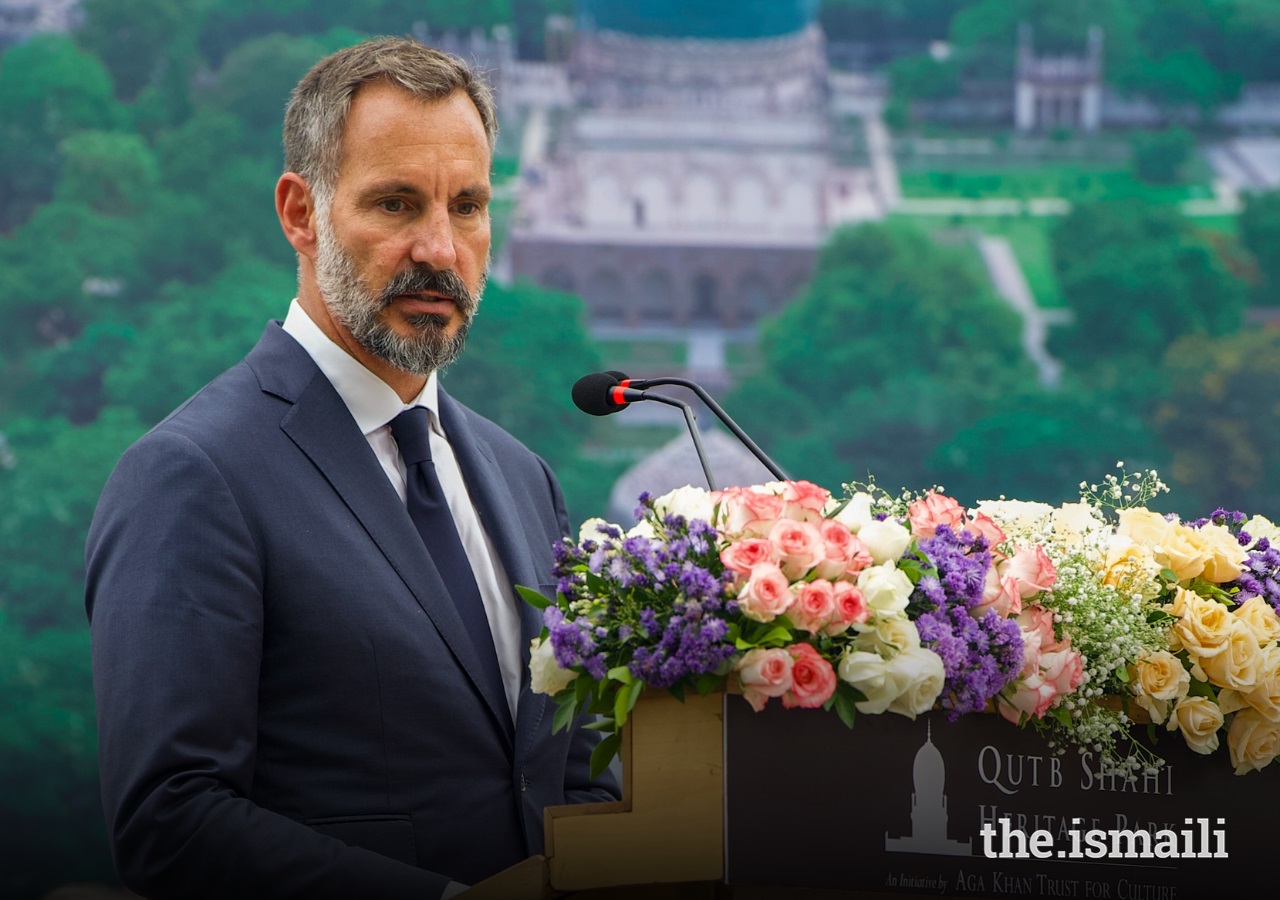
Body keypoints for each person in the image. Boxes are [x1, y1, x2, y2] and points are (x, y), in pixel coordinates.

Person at [85, 36, 619, 900]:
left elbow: (578, 773)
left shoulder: (524, 477)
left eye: (468, 206)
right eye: (397, 204)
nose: (440, 248)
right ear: (301, 213)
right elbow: (170, 822)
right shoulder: (191, 476)